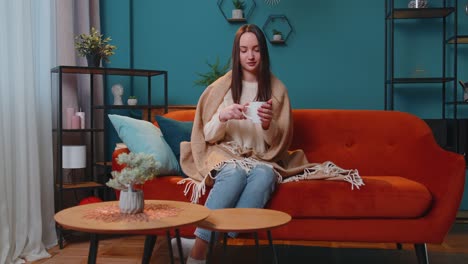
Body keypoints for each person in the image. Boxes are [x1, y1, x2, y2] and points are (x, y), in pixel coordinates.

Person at [176, 24, 364, 264]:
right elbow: (208, 136)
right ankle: (198, 253)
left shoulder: (277, 90)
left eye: (255, 49)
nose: (250, 56)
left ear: (263, 52)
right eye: (244, 50)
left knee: (264, 176)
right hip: (225, 153)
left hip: (261, 158)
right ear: (237, 53)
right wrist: (223, 117)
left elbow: (279, 144)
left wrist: (267, 125)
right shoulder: (221, 88)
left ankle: (202, 242)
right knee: (234, 173)